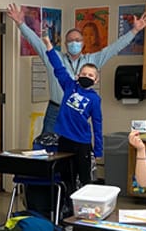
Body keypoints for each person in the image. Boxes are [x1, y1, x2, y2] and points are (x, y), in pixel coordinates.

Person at [7, 3, 146, 137]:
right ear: (65, 43)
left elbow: (114, 48)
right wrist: (20, 24)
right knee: (47, 150)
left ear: (82, 43)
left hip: (79, 110)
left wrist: (135, 30)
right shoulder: (54, 57)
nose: (74, 43)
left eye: (77, 40)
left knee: (74, 150)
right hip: (55, 110)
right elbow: (36, 42)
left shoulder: (92, 60)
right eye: (70, 40)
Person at [44, 34, 103, 191]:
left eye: (90, 75)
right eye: (84, 74)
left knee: (84, 179)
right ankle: (66, 208)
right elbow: (58, 68)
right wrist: (49, 46)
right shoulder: (70, 86)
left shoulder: (95, 100)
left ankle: (84, 208)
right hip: (65, 140)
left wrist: (98, 149)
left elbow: (97, 124)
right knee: (65, 177)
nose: (86, 77)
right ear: (77, 76)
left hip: (82, 143)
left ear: (96, 80)